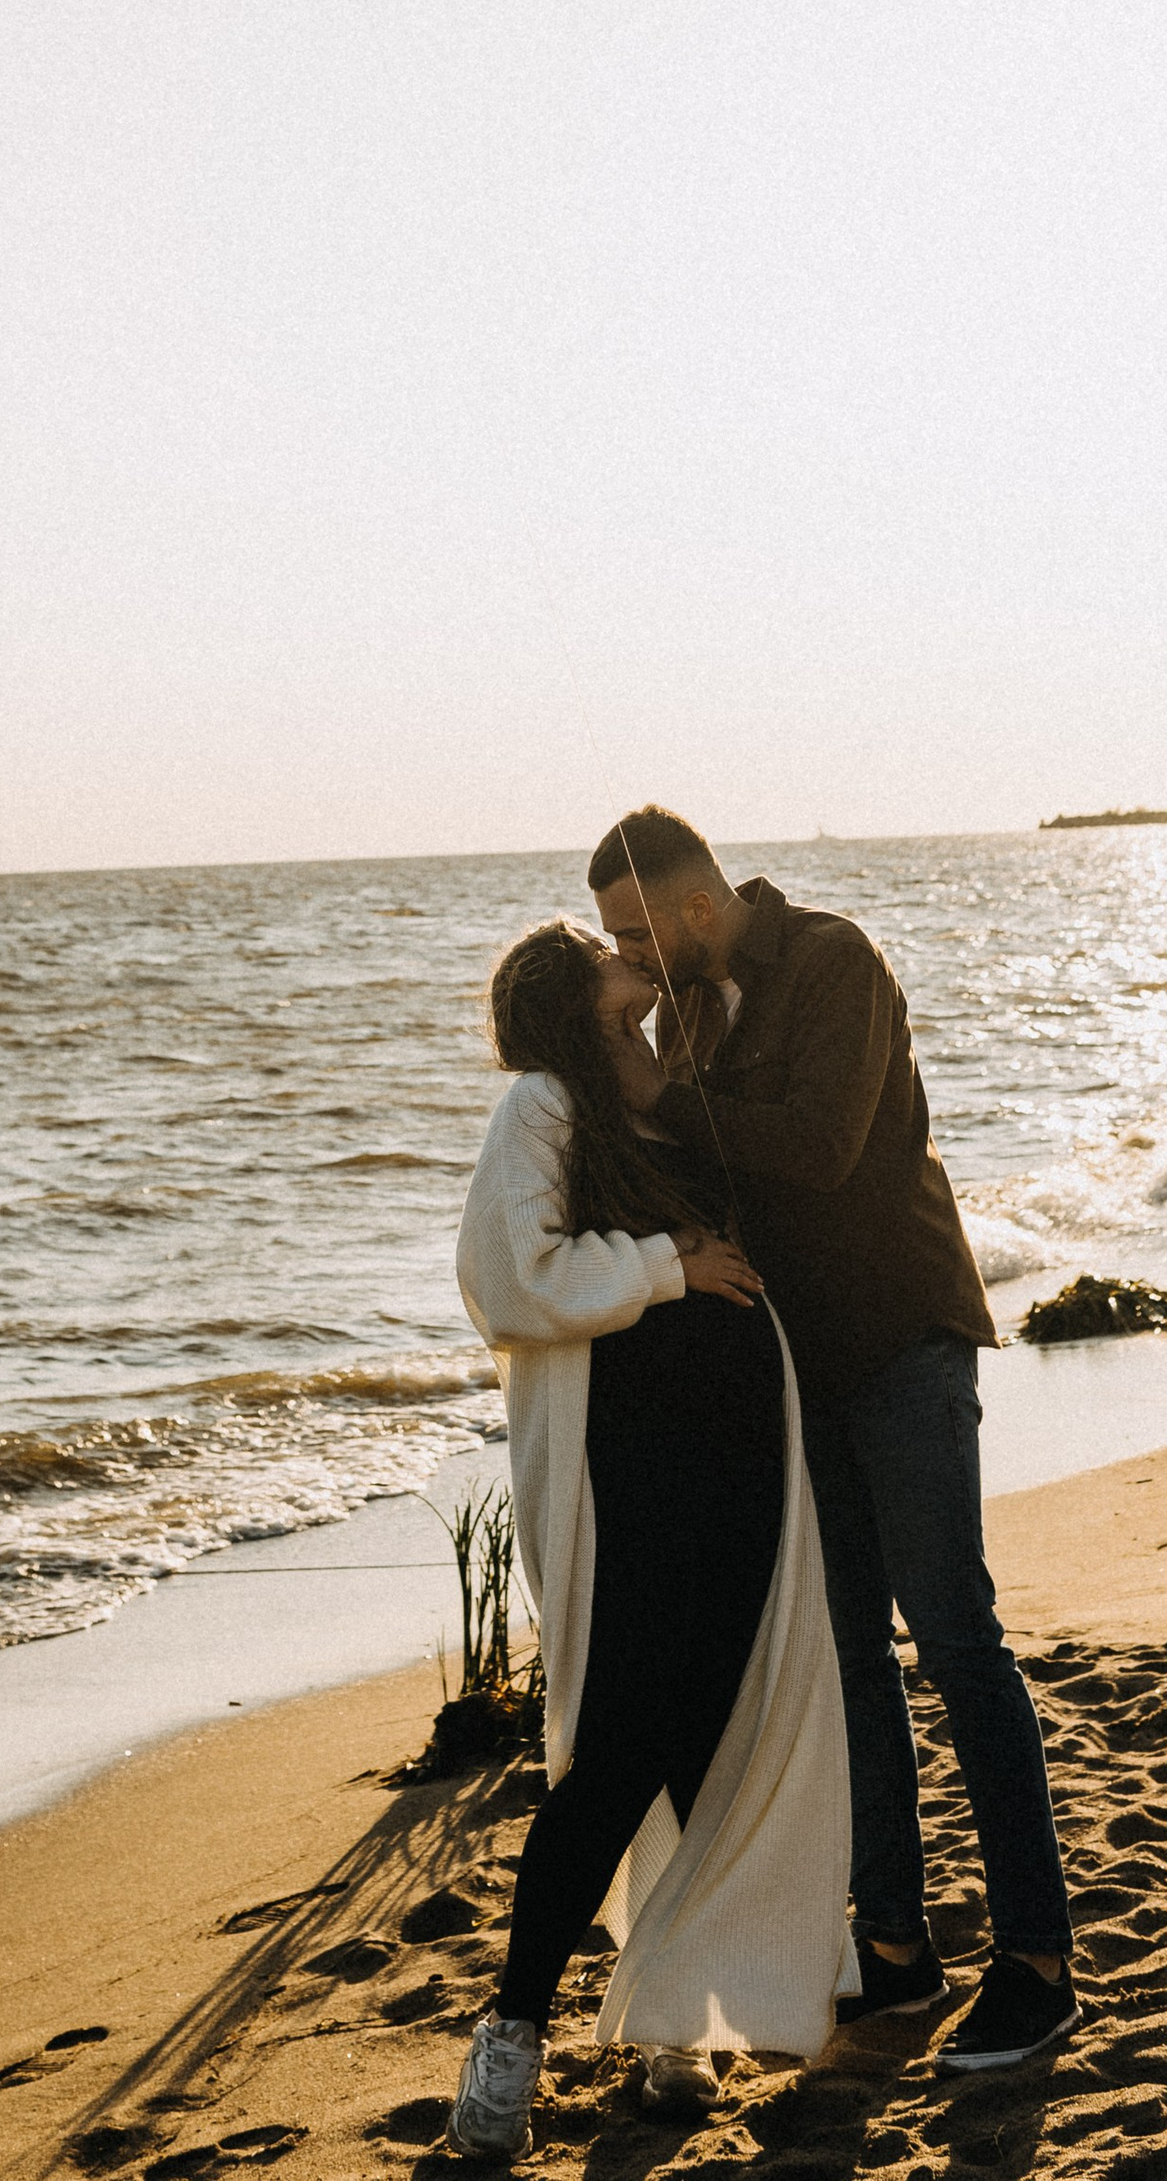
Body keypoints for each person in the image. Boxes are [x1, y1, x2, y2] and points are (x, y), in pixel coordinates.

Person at [589, 804, 1076, 2076]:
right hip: (801, 1377)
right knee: (853, 1663)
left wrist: (661, 1094)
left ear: (698, 906)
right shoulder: (685, 1013)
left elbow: (817, 1148)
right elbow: (699, 1183)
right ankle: (900, 1953)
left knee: (960, 1642)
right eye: (609, 945)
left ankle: (1035, 1964)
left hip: (905, 1345)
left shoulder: (834, 962)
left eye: (638, 933)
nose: (634, 960)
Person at [446, 919, 852, 2160]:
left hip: (742, 1474)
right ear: (576, 1005)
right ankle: (511, 2038)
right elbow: (513, 1279)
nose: (642, 984)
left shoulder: (661, 1102)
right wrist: (671, 1265)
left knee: (713, 1737)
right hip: (639, 1485)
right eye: (619, 972)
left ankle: (679, 2017)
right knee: (618, 1754)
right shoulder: (544, 1107)